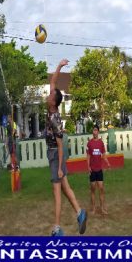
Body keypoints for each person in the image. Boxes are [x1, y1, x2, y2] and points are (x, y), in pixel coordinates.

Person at [46, 59, 87, 236]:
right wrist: (60, 66)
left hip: (57, 155)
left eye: (50, 95)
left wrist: (61, 167)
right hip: (54, 154)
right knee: (65, 187)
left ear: (54, 102)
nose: (48, 95)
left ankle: (57, 228)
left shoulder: (55, 119)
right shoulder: (51, 109)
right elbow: (53, 81)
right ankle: (80, 213)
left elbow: (61, 146)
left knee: (57, 191)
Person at [86, 125, 110, 215]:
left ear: (98, 132)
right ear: (92, 132)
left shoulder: (101, 143)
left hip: (99, 169)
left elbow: (103, 154)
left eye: (96, 130)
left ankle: (103, 208)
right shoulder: (89, 143)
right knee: (93, 189)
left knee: (101, 188)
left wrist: (107, 163)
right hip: (92, 170)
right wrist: (88, 167)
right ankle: (93, 209)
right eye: (93, 130)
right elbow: (88, 156)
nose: (94, 132)